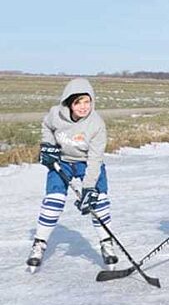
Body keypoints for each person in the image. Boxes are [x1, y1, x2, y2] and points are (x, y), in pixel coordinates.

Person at [27, 78, 116, 272]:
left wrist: (89, 188)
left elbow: (95, 159)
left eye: (87, 101)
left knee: (98, 200)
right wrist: (48, 146)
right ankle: (39, 244)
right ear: (69, 103)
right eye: (78, 102)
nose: (84, 107)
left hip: (87, 163)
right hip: (62, 162)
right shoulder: (55, 114)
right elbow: (46, 126)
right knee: (54, 200)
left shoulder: (97, 124)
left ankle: (106, 242)